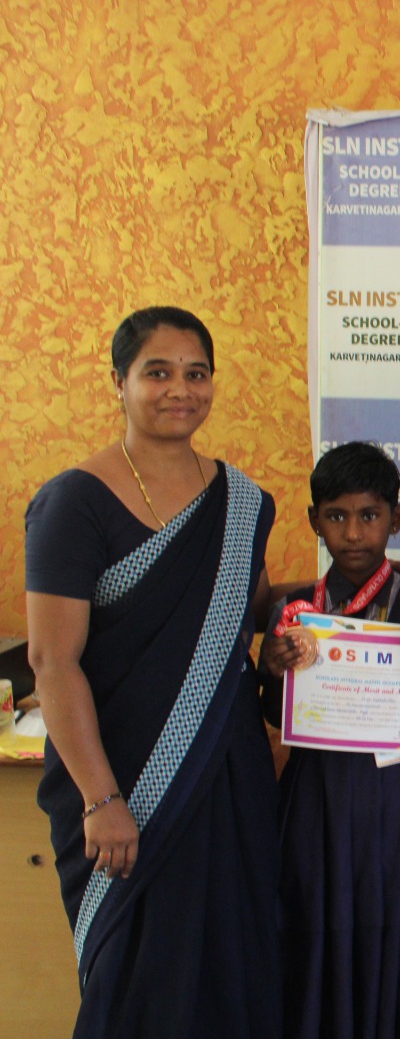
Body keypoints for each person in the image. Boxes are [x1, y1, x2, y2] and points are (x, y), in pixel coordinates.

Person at [25, 306, 282, 1038]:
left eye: (196, 374)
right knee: (137, 980)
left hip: (226, 776)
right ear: (119, 381)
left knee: (233, 967)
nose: (180, 390)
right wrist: (101, 798)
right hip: (124, 786)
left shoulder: (241, 501)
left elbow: (246, 610)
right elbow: (52, 661)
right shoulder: (75, 502)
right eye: (158, 372)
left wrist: (361, 598)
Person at [259, 441, 400, 1039]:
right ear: (314, 520)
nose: (354, 533)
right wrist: (275, 669)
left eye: (370, 515)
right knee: (317, 919)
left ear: (397, 517)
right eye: (337, 516)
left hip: (399, 792)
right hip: (317, 793)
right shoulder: (294, 612)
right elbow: (272, 713)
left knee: (399, 922)